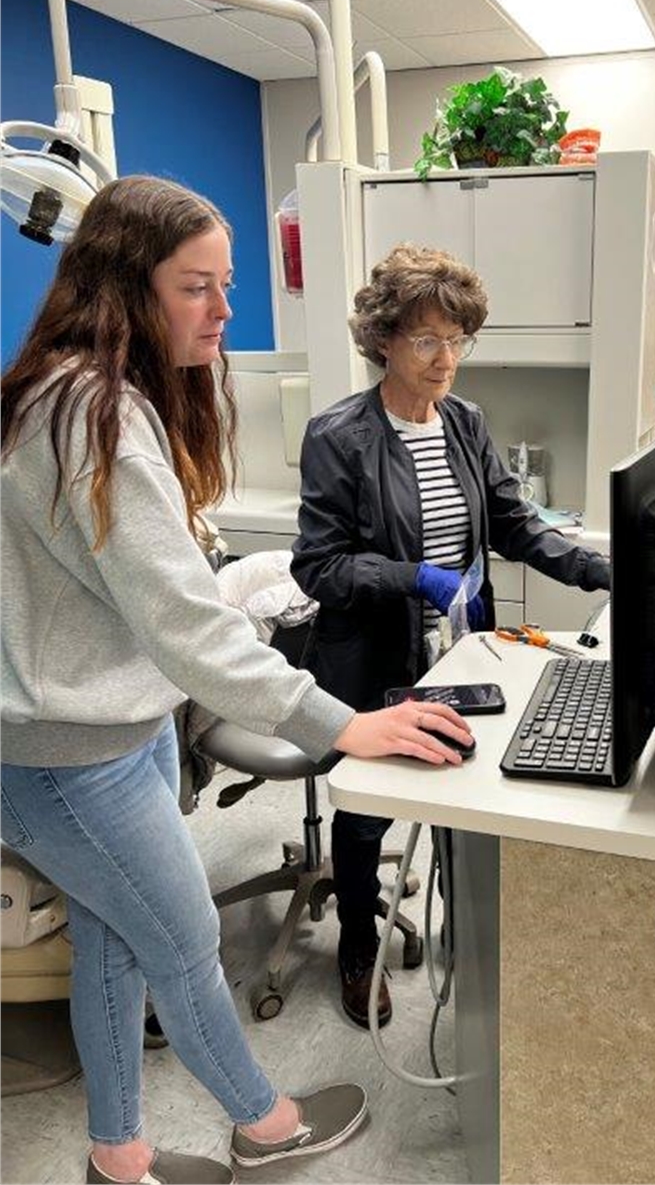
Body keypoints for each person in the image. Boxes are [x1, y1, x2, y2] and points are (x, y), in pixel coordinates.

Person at [0, 178, 475, 1185]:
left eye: (226, 285)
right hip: (71, 758)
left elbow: (131, 593)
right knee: (182, 942)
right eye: (197, 287)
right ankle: (268, 1124)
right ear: (127, 286)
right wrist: (344, 725)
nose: (224, 311)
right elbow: (183, 625)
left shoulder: (71, 395)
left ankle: (116, 1157)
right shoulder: (96, 417)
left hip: (98, 737)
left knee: (117, 946)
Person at [291, 243, 610, 1029]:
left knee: (471, 790)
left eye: (457, 339)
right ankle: (358, 941)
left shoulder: (465, 422)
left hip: (462, 646)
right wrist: (415, 577)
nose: (446, 359)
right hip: (374, 653)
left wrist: (598, 569)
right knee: (369, 810)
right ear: (384, 341)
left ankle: (474, 937)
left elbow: (511, 522)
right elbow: (319, 568)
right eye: (427, 340)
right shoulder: (339, 437)